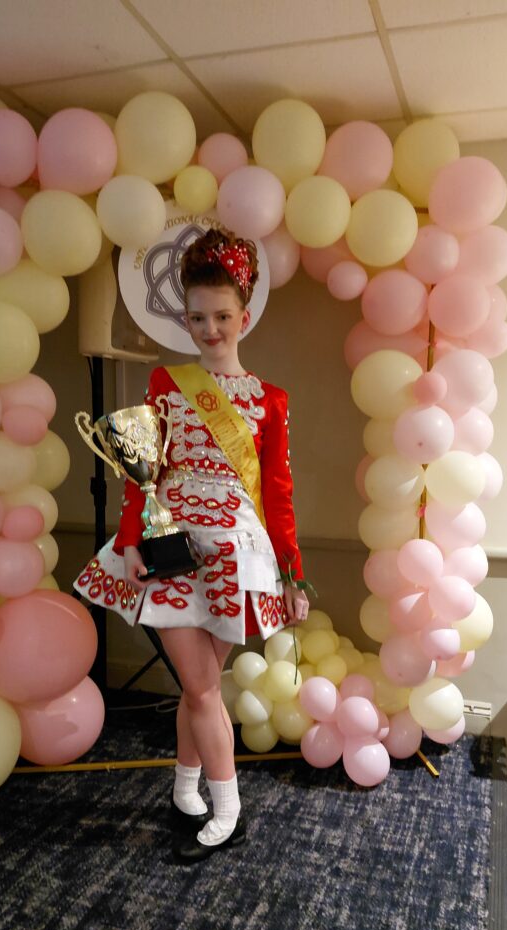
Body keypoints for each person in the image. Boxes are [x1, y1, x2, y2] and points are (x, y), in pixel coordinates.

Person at [75, 227, 309, 863]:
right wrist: (129, 541)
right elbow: (142, 474)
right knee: (205, 688)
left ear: (245, 315)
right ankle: (229, 804)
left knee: (196, 688)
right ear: (186, 316)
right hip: (172, 548)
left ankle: (185, 790)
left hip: (236, 555)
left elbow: (280, 494)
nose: (211, 329)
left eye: (223, 316)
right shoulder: (166, 383)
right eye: (199, 316)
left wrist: (292, 577)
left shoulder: (270, 402)